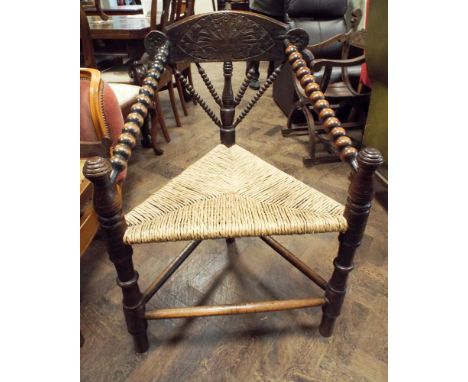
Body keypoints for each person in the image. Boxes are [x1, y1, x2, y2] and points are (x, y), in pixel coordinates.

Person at [246, 0, 286, 89]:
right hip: (260, 7)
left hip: (282, 9)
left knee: (277, 43)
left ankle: (272, 74)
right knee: (256, 42)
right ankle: (252, 74)